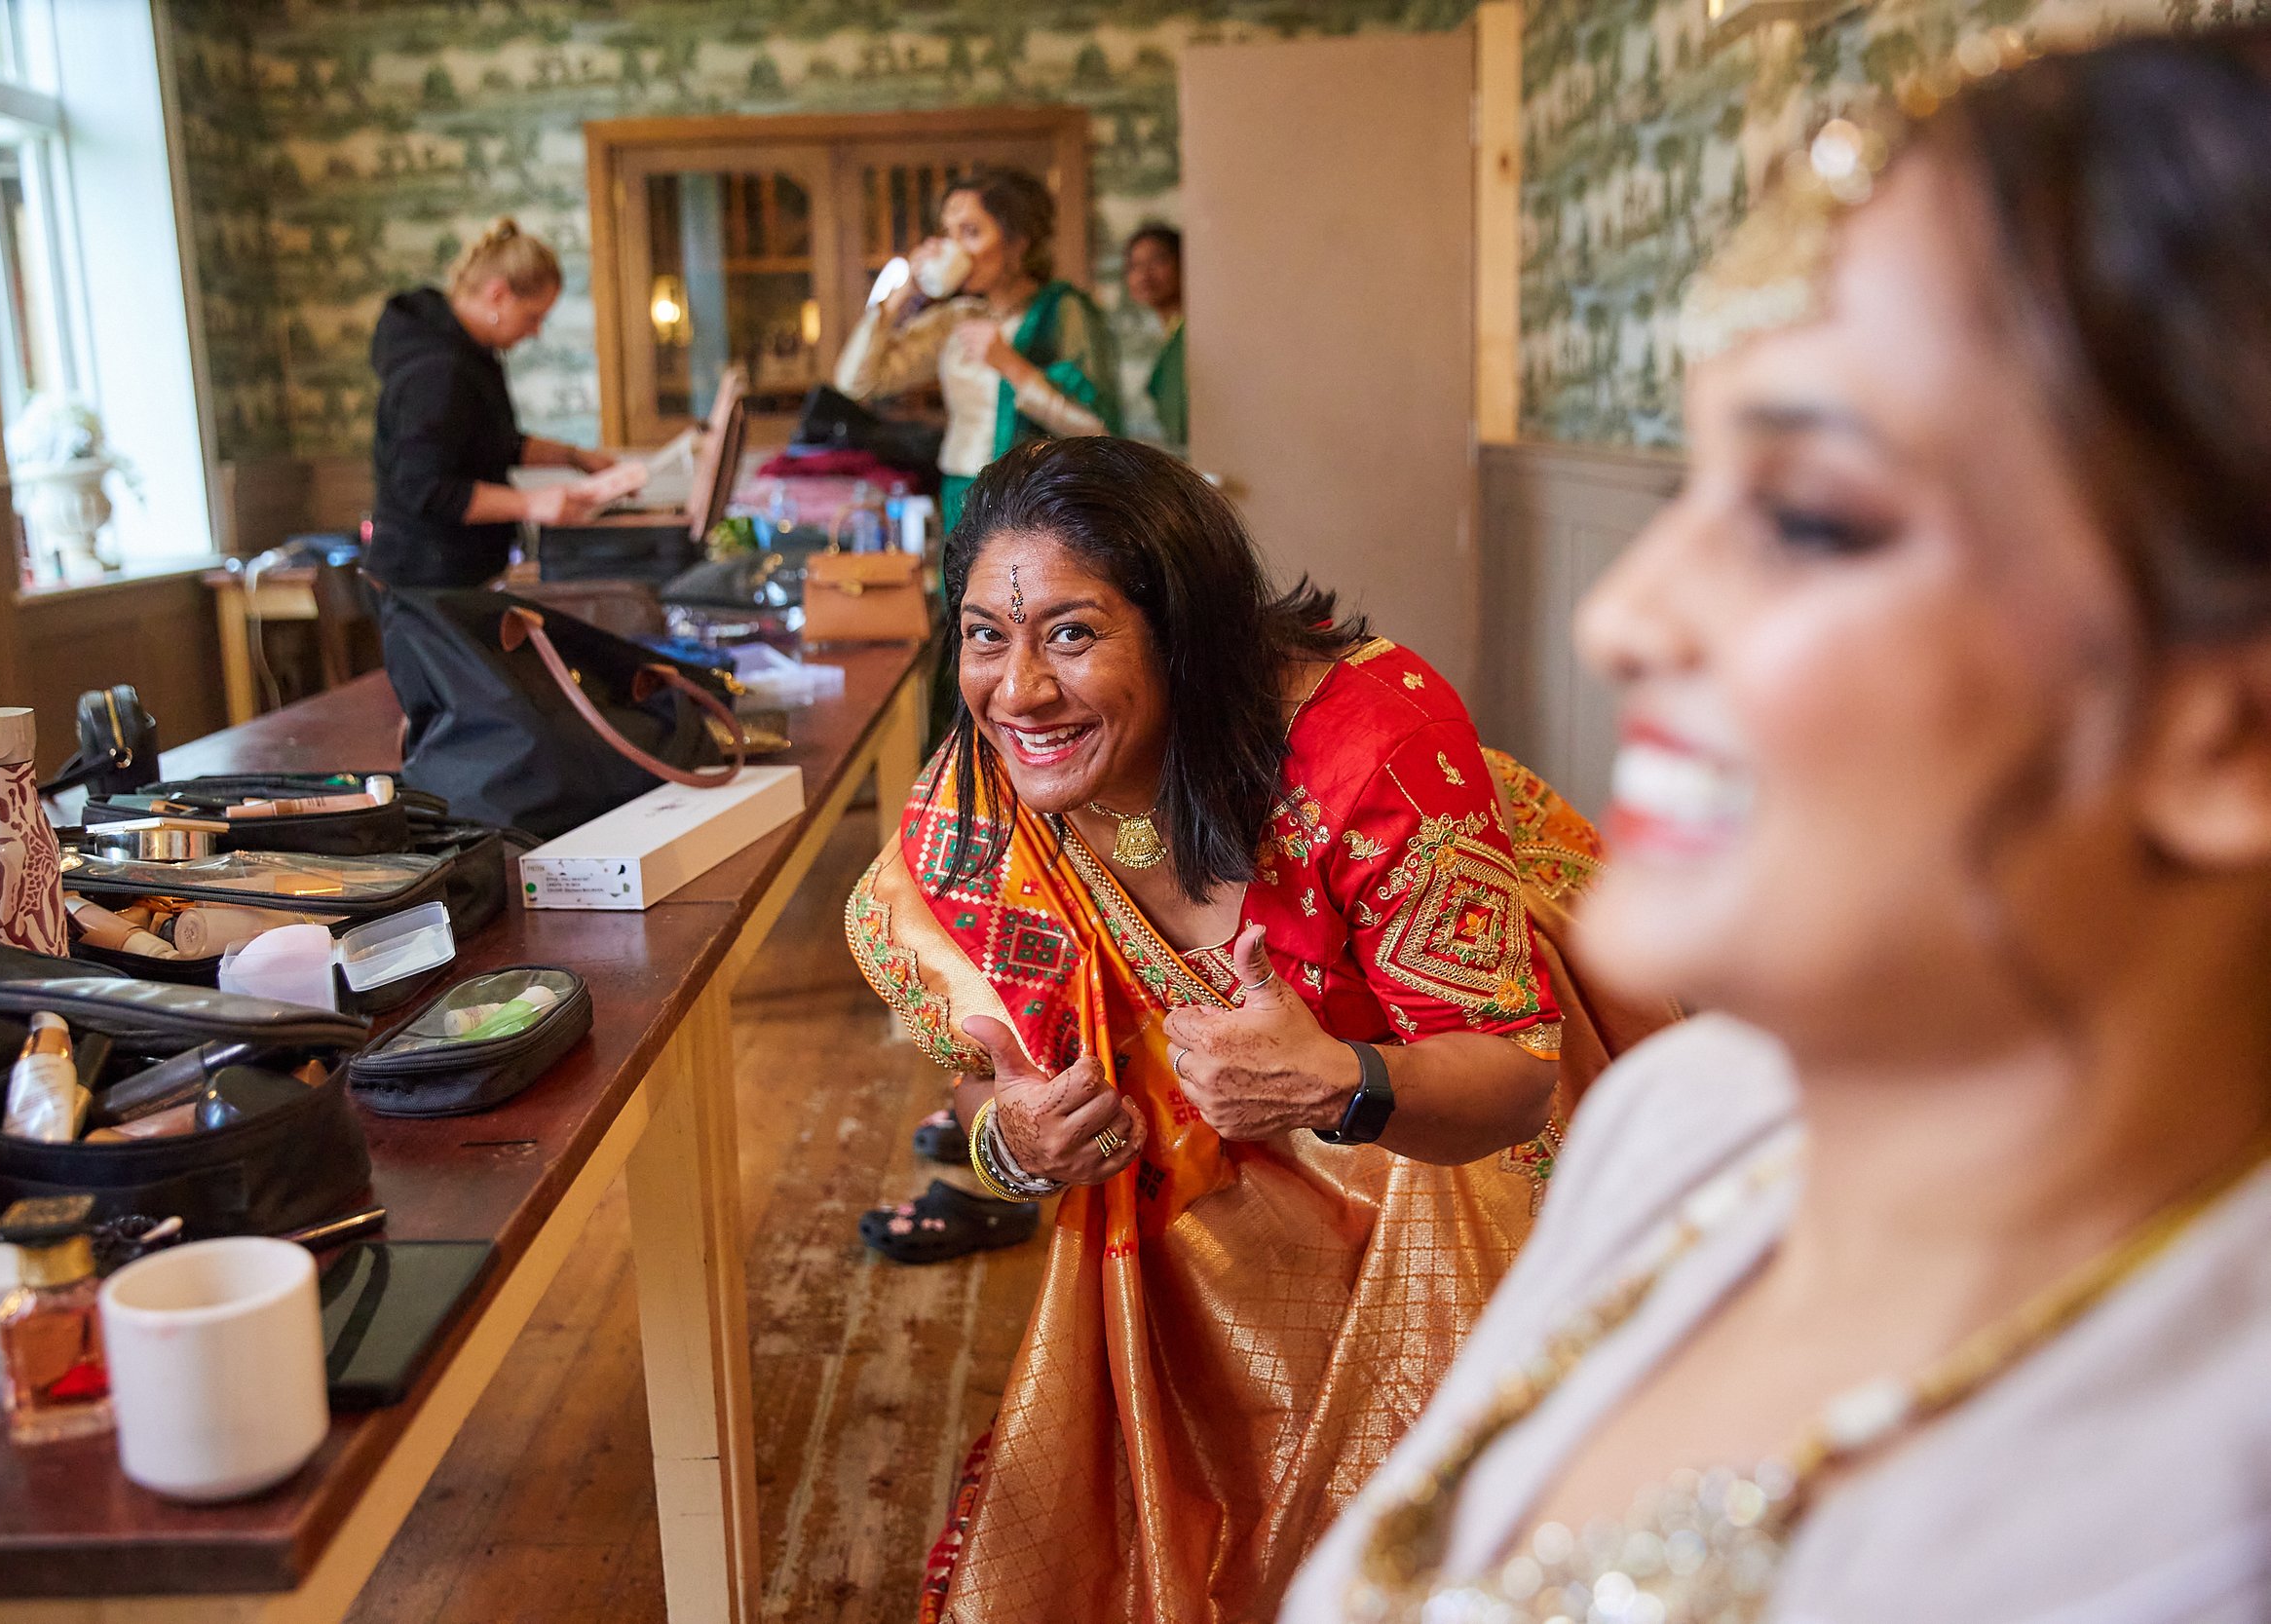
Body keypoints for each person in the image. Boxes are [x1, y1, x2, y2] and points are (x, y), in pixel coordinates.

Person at [1286, 25, 2271, 1624]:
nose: (1625, 613)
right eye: (1690, 485)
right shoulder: (1693, 1121)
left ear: (2231, 733)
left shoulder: (2201, 1518)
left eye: (1810, 515)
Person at [844, 436, 1670, 1623]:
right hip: (1213, 1173)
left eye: (1071, 632)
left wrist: (1336, 1082)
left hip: (1452, 1131)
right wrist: (1015, 1143)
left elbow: (1512, 1080)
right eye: (987, 634)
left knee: (1472, 1526)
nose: (1017, 690)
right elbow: (988, 1085)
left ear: (1185, 634)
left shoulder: (1368, 746)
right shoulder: (987, 797)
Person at [832, 169, 1118, 530]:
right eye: (949, 235)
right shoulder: (957, 318)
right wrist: (904, 293)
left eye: (971, 232)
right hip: (961, 493)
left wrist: (1011, 365)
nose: (956, 249)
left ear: (1018, 241)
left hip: (1035, 502)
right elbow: (856, 382)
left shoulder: (1062, 311)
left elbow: (1100, 431)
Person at [365, 218, 622, 589]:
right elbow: (426, 488)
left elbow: (494, 444)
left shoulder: (470, 355)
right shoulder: (437, 369)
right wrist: (532, 504)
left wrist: (575, 457)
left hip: (455, 574)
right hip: (423, 583)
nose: (535, 331)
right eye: (533, 316)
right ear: (498, 295)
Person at [1124, 223, 1188, 450]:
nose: (1144, 275)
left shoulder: (1190, 334)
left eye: (1158, 261)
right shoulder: (1169, 336)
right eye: (1135, 266)